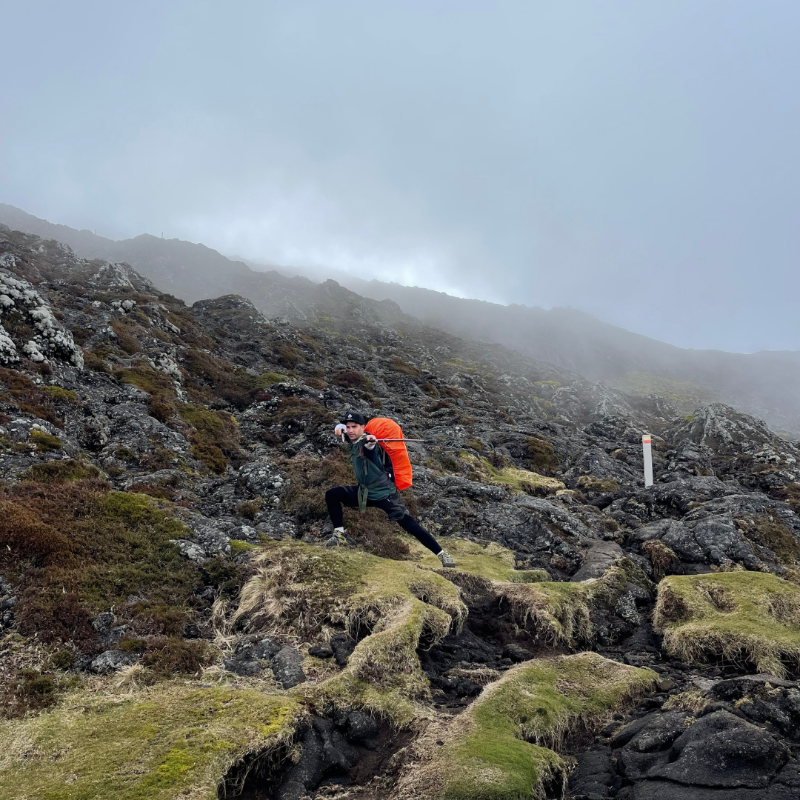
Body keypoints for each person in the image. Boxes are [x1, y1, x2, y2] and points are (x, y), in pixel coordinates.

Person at [325, 412, 456, 568]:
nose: (351, 430)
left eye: (354, 427)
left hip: (384, 494)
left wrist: (370, 443)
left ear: (363, 428)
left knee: (410, 525)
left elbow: (369, 448)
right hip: (364, 492)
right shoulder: (353, 438)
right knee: (332, 495)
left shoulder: (369, 444)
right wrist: (339, 428)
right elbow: (345, 433)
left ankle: (442, 555)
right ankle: (339, 535)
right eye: (348, 427)